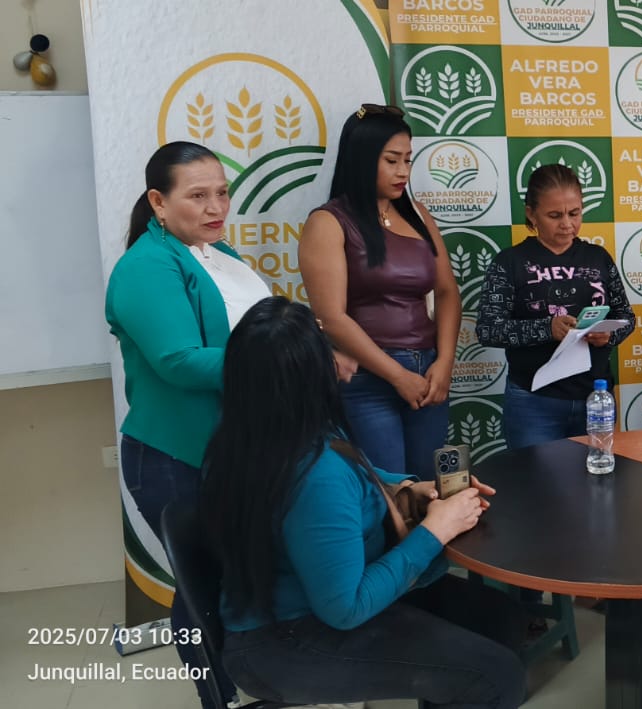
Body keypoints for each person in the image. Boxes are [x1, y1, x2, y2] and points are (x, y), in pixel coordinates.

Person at [202, 297, 528, 708]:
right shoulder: (313, 474)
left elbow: (358, 472)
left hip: (297, 607)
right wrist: (435, 530)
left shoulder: (256, 434)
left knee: (500, 618)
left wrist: (412, 488)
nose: (347, 365)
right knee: (497, 676)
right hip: (288, 640)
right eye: (330, 352)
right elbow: (346, 608)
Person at [104, 141, 274, 709]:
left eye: (222, 192)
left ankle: (241, 685)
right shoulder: (146, 266)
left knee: (229, 578)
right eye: (198, 196)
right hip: (174, 457)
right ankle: (217, 697)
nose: (216, 207)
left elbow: (246, 334)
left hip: (230, 448)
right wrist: (284, 358)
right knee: (200, 589)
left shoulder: (215, 252)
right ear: (158, 201)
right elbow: (178, 361)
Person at [302, 103, 461, 479]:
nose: (403, 171)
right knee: (388, 491)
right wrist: (397, 375)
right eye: (391, 160)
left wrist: (445, 362)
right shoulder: (328, 221)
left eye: (408, 159)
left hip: (427, 374)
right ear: (361, 159)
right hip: (366, 380)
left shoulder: (418, 214)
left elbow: (447, 292)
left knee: (429, 488)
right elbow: (331, 317)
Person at [476, 163, 635, 448]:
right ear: (531, 214)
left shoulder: (598, 257)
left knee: (597, 474)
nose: (567, 224)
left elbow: (626, 317)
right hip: (533, 402)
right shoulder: (510, 262)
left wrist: (609, 334)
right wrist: (547, 328)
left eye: (574, 213)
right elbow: (488, 330)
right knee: (534, 477)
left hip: (595, 396)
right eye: (554, 215)